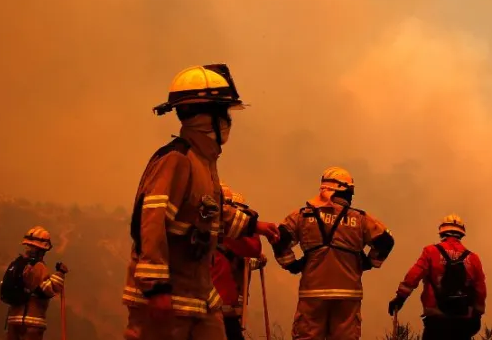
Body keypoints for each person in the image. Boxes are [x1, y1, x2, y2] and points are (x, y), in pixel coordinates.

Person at [122, 64, 281, 340]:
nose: (227, 122)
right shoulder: (177, 160)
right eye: (224, 113)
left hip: (200, 297)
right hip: (171, 298)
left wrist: (257, 226)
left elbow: (212, 215)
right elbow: (151, 223)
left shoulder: (204, 164)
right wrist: (156, 289)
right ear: (205, 116)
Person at [272, 166, 395, 340]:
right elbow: (386, 242)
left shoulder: (303, 216)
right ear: (344, 191)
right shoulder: (360, 219)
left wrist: (291, 264)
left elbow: (279, 237)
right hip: (348, 295)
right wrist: (368, 263)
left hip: (312, 294)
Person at [388, 214, 486, 340]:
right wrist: (478, 314)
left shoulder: (431, 252)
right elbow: (480, 289)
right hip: (463, 321)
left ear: (442, 232)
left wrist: (400, 298)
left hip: (436, 320)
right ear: (461, 234)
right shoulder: (473, 258)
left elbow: (413, 276)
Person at [212, 185, 268, 340]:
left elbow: (239, 262)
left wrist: (257, 263)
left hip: (220, 306)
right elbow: (252, 249)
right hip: (220, 308)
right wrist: (250, 226)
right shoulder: (229, 234)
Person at [0, 226, 68, 340]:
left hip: (13, 320)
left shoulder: (17, 264)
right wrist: (60, 273)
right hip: (32, 322)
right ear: (42, 249)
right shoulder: (38, 267)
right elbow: (47, 290)